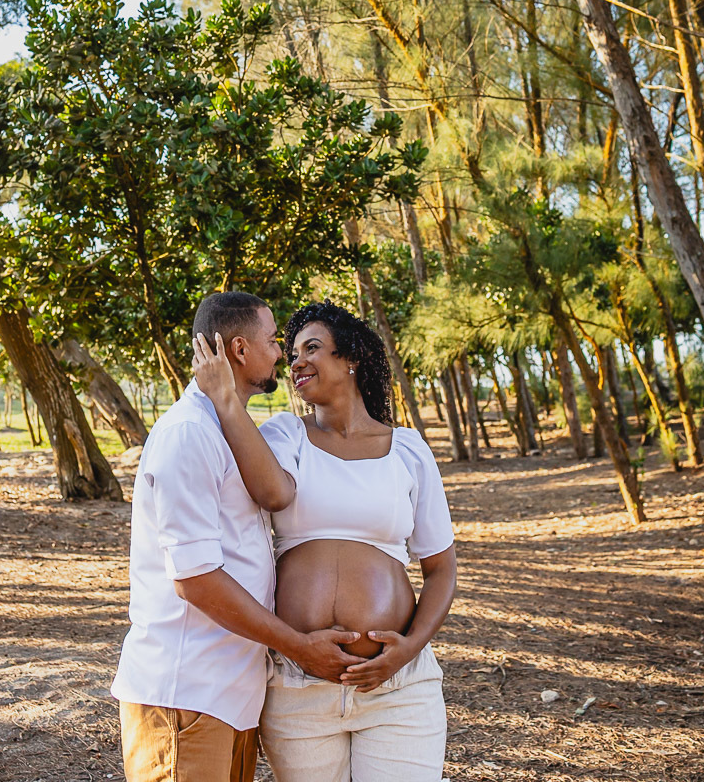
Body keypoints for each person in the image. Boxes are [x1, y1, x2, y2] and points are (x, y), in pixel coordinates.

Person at [192, 298, 457, 782]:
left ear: (350, 356)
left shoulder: (409, 451)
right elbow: (272, 494)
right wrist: (226, 400)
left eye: (311, 348)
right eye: (291, 352)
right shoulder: (284, 435)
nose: (295, 362)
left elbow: (441, 568)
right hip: (300, 686)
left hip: (395, 687)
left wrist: (409, 648)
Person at [111, 290, 360, 782]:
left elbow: (276, 498)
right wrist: (298, 645)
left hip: (230, 695)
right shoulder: (189, 434)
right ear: (241, 350)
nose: (282, 354)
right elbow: (196, 580)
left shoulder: (229, 429)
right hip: (186, 694)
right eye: (274, 341)